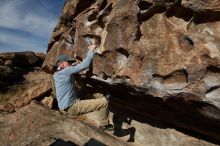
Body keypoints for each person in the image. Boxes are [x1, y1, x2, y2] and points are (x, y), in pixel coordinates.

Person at [53, 44, 113, 131]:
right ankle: (105, 125)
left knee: (85, 89)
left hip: (65, 106)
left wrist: (72, 64)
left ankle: (101, 97)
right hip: (72, 107)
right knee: (104, 103)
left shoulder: (56, 74)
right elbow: (85, 65)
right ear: (62, 64)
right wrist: (91, 50)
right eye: (68, 62)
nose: (70, 63)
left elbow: (68, 68)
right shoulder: (66, 71)